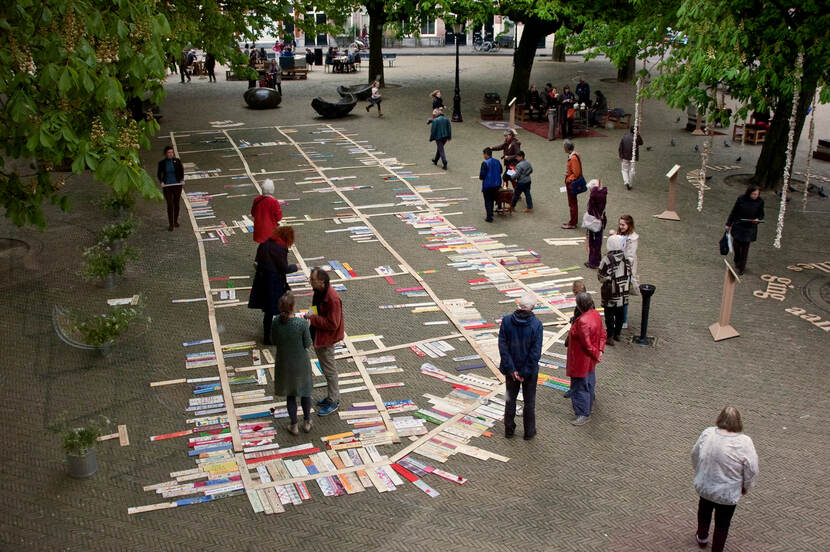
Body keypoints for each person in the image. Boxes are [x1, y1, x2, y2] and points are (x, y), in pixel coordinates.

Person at [692, 407, 759, 552]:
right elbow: (751, 469)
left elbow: (695, 453)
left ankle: (702, 537)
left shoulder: (708, 433)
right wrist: (746, 486)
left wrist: (699, 472)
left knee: (704, 511)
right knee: (722, 524)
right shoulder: (744, 442)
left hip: (706, 487)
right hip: (727, 493)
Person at [498, 293, 543, 440]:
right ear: (532, 307)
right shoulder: (536, 325)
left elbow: (503, 347)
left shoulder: (506, 321)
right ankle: (529, 432)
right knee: (529, 402)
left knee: (510, 399)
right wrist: (523, 372)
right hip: (529, 372)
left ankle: (509, 430)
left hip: (510, 370)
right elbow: (535, 353)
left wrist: (511, 369)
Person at [271, 292, 314, 435]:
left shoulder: (276, 321)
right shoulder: (301, 323)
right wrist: (308, 326)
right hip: (301, 363)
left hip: (284, 363)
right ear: (293, 306)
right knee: (305, 393)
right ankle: (307, 422)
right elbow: (307, 344)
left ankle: (294, 425)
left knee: (290, 394)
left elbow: (274, 340)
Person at [304, 267, 345, 416]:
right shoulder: (319, 291)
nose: (310, 282)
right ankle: (330, 397)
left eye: (312, 280)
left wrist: (313, 319)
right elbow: (317, 308)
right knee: (327, 368)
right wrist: (311, 314)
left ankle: (334, 401)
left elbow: (333, 324)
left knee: (329, 370)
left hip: (326, 338)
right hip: (318, 334)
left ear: (321, 281)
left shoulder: (332, 299)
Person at [249, 226, 298, 345]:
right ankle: (279, 333)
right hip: (274, 283)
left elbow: (257, 261)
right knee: (281, 307)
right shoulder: (280, 248)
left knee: (268, 311)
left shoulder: (265, 243)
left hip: (262, 281)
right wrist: (295, 267)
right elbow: (284, 268)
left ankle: (267, 335)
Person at [566, 292, 605, 425]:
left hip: (580, 359)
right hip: (589, 360)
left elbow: (587, 344)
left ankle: (583, 413)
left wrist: (596, 353)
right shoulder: (595, 314)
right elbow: (602, 334)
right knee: (589, 381)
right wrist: (600, 351)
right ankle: (589, 403)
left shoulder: (582, 321)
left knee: (579, 386)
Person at [598, 234, 632, 345]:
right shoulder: (625, 257)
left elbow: (600, 276)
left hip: (611, 293)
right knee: (620, 314)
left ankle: (610, 336)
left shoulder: (607, 259)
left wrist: (607, 278)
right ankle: (618, 333)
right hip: (623, 291)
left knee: (609, 314)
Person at [725, 185, 764, 275]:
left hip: (750, 228)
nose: (755, 196)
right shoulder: (741, 199)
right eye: (753, 194)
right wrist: (728, 224)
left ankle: (742, 267)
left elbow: (761, 214)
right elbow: (734, 212)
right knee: (736, 245)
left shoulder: (760, 201)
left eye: (757, 194)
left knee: (745, 248)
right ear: (749, 193)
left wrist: (757, 219)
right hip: (739, 225)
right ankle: (737, 258)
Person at [612, 214, 640, 327]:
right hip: (617, 269)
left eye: (623, 224)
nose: (621, 226)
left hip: (625, 271)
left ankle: (623, 320)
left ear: (629, 225)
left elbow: (630, 257)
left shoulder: (632, 239)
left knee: (623, 296)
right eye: (620, 224)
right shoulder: (621, 235)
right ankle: (618, 318)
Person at [562, 280, 587, 399]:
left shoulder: (582, 306)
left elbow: (579, 327)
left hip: (578, 344)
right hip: (581, 343)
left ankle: (576, 390)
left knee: (576, 367)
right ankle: (578, 389)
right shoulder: (585, 304)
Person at [156, 146, 184, 231]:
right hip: (167, 186)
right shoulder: (162, 163)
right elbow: (159, 174)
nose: (170, 154)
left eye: (172, 152)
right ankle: (171, 224)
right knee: (170, 204)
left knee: (176, 204)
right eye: (169, 152)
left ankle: (175, 221)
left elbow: (181, 171)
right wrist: (161, 182)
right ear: (165, 154)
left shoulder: (177, 161)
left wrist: (182, 180)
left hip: (177, 185)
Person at [250, 179, 283, 243]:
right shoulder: (274, 202)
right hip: (271, 230)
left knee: (262, 247)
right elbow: (279, 217)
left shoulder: (256, 200)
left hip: (259, 230)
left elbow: (253, 213)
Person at [584, 179, 607, 268]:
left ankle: (593, 262)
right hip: (600, 221)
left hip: (594, 222)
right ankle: (597, 260)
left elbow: (591, 210)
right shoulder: (602, 196)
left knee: (593, 243)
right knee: (598, 242)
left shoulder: (594, 197)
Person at [562, 140, 583, 229]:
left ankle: (573, 222)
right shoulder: (574, 156)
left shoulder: (573, 158)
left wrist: (568, 179)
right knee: (572, 203)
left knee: (572, 203)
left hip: (571, 183)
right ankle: (572, 221)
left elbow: (576, 173)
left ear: (567, 148)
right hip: (571, 182)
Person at [479, 148, 502, 223]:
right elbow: (501, 171)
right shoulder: (497, 161)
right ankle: (491, 212)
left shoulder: (485, 163)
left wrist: (481, 178)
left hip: (488, 185)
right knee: (492, 199)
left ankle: (489, 216)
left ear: (486, 154)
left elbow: (482, 174)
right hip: (497, 184)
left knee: (487, 200)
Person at [618, 126, 644, 190]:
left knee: (624, 170)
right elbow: (641, 143)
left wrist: (620, 155)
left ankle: (626, 181)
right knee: (631, 170)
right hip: (632, 157)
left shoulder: (625, 136)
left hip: (625, 156)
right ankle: (630, 183)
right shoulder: (636, 138)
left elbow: (620, 147)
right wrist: (638, 135)